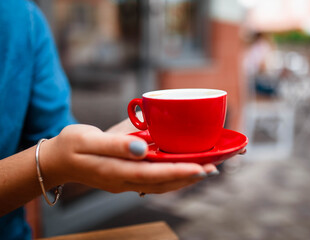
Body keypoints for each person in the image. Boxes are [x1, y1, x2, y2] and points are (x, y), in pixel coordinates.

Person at [0, 1, 237, 239]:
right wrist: (51, 163)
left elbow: (56, 137)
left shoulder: (23, 16)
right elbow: (56, 153)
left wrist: (97, 152)